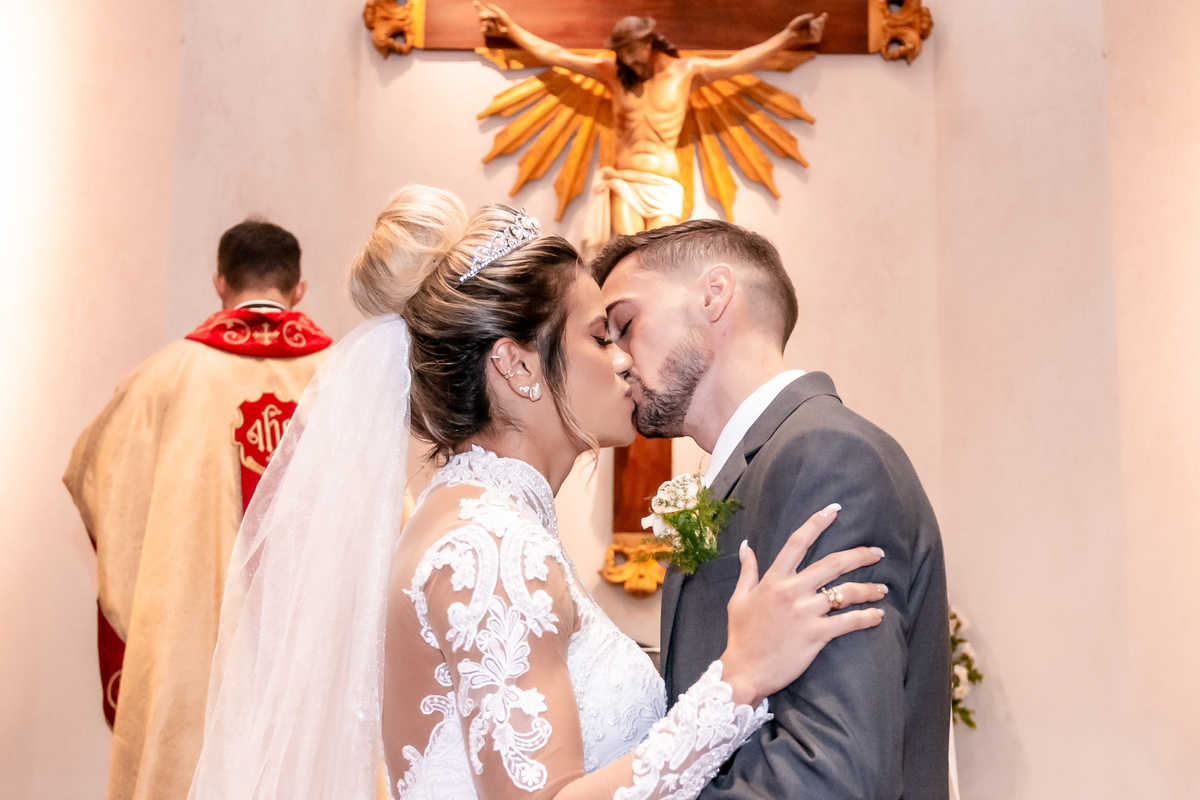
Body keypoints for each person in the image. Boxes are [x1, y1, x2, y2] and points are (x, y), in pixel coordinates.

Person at [187, 187, 890, 800]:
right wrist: (739, 679)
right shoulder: (485, 546)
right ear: (517, 366)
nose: (623, 360)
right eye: (598, 334)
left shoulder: (483, 522)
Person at [591, 220, 951, 799]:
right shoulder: (761, 468)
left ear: (714, 295)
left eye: (626, 325)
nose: (618, 360)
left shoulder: (826, 456)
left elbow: (833, 776)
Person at [64, 219, 332, 800]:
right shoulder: (341, 379)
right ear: (299, 288)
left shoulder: (167, 376)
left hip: (197, 647)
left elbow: (97, 478)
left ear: (219, 282)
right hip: (310, 654)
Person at [474, 4, 826, 246]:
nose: (625, 56)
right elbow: (555, 54)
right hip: (626, 181)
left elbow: (740, 62)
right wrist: (510, 27)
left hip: (664, 184)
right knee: (628, 254)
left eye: (631, 48)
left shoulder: (684, 72)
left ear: (647, 41)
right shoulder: (611, 74)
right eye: (620, 49)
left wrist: (787, 37)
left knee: (660, 260)